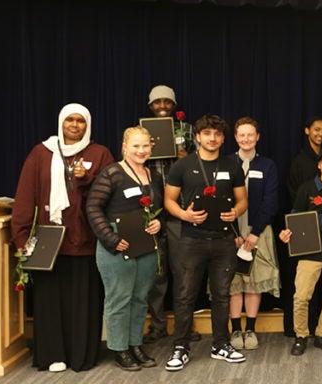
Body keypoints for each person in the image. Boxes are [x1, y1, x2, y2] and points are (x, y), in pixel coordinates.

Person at [12, 103, 114, 372]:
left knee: (83, 300)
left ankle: (82, 356)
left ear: (87, 124)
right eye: (69, 120)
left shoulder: (99, 153)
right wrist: (21, 238)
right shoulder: (41, 153)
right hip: (49, 242)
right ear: (61, 122)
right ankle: (52, 354)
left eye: (81, 121)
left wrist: (86, 177)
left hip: (87, 240)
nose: (75, 125)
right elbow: (25, 197)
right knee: (50, 300)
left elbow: (111, 193)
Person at [162, 114, 248, 371]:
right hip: (191, 241)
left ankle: (221, 344)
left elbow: (242, 200)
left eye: (217, 134)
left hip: (223, 241)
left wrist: (236, 212)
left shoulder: (232, 166)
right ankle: (181, 346)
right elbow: (168, 201)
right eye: (207, 133)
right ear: (197, 136)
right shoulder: (182, 166)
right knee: (185, 295)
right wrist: (185, 215)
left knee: (222, 295)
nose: (212, 138)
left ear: (223, 138)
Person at [85, 127, 162, 371]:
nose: (141, 151)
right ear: (124, 147)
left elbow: (156, 208)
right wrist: (110, 238)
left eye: (145, 146)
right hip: (117, 248)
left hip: (145, 247)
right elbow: (93, 207)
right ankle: (120, 349)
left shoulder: (152, 174)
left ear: (151, 147)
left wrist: (158, 222)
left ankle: (134, 344)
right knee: (119, 299)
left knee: (140, 299)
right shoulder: (112, 173)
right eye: (136, 146)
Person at [280, 144, 322, 356]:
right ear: (319, 165)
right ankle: (301, 335)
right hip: (310, 252)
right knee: (301, 296)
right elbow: (294, 218)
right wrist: (287, 233)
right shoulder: (307, 189)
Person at [143, 85, 198, 344]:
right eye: (157, 102)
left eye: (167, 101)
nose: (162, 105)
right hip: (150, 211)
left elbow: (202, 164)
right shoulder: (141, 133)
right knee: (156, 273)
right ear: (150, 105)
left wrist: (185, 157)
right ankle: (157, 325)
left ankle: (185, 326)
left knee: (183, 271)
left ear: (174, 105)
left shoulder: (187, 130)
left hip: (179, 210)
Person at [227, 117, 280, 351]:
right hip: (231, 232)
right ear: (236, 138)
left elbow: (271, 201)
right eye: (242, 135)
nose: (246, 139)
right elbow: (221, 199)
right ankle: (235, 328)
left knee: (253, 283)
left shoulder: (267, 165)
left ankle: (251, 329)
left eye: (251, 135)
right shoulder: (226, 163)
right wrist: (234, 232)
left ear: (257, 137)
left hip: (258, 233)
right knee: (234, 283)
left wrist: (255, 233)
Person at [286, 117, 322, 198]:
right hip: (306, 208)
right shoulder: (299, 161)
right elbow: (293, 190)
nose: (321, 134)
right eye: (317, 129)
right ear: (307, 131)